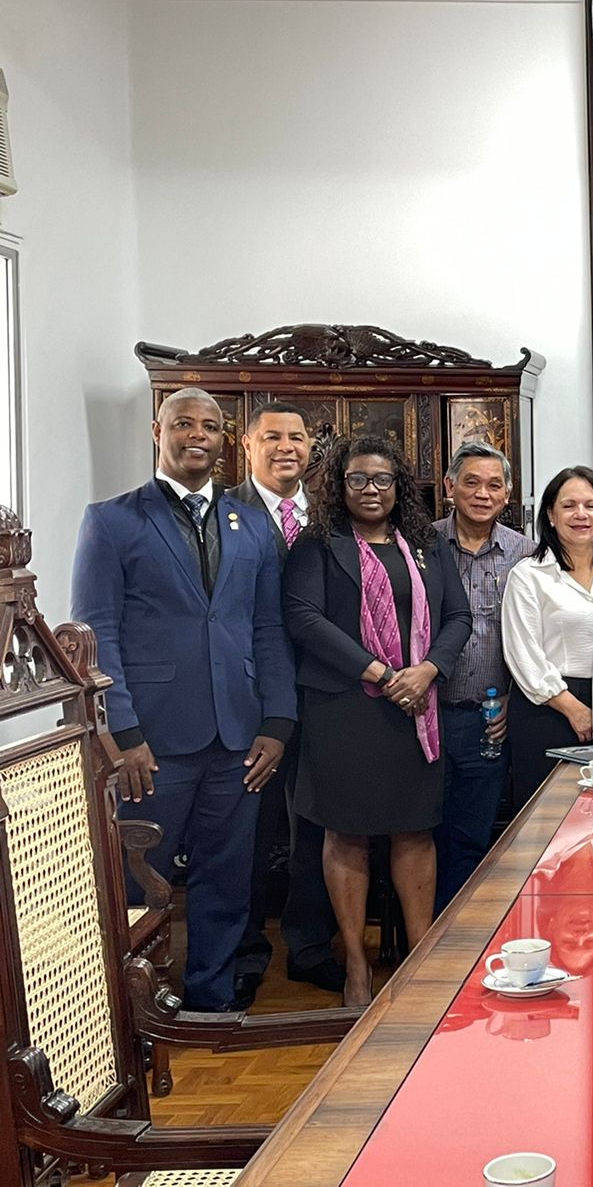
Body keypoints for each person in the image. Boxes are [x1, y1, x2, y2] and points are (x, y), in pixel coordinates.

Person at [71, 387, 296, 1011]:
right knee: (136, 878)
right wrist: (123, 733)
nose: (198, 434)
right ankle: (122, 1013)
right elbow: (95, 632)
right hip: (152, 741)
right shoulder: (112, 520)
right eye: (183, 423)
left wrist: (278, 721)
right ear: (157, 431)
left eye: (210, 426)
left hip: (239, 738)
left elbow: (268, 628)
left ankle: (210, 1002)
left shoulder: (251, 522)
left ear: (225, 440)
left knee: (227, 877)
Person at [282, 436, 471, 1006]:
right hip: (344, 710)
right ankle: (357, 967)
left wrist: (427, 671)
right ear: (340, 485)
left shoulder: (426, 543)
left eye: (382, 479)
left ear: (399, 486)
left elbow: (458, 616)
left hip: (416, 708)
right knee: (348, 833)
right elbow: (304, 618)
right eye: (358, 478)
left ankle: (420, 959)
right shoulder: (317, 544)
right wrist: (383, 674)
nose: (371, 489)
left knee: (415, 829)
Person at [226, 401, 343, 1001]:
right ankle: (244, 952)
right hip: (249, 705)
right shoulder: (222, 512)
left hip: (326, 699)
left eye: (296, 437)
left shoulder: (329, 517)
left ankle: (310, 946)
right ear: (247, 444)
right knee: (248, 832)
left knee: (316, 830)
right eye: (272, 436)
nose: (286, 447)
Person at [431, 440, 536, 910]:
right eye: (471, 483)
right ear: (450, 486)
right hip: (427, 715)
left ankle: (460, 935)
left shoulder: (525, 554)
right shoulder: (423, 545)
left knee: (472, 838)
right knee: (420, 835)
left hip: (489, 719)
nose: (482, 494)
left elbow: (535, 637)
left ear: (508, 494)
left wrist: (515, 696)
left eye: (494, 485)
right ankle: (422, 938)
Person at [502, 466, 593, 800]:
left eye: (591, 505)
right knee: (548, 816)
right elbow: (523, 654)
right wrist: (574, 709)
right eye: (569, 506)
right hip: (547, 711)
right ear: (551, 515)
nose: (581, 514)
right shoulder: (529, 575)